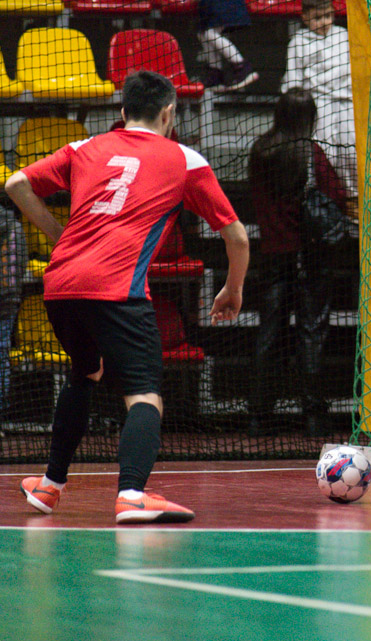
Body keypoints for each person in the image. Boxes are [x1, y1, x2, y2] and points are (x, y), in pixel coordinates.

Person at [6, 71, 250, 523]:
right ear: (169, 113)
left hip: (60, 286)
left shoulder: (85, 147)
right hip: (117, 288)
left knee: (86, 373)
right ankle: (133, 494)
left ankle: (49, 485)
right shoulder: (185, 159)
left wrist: (60, 236)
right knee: (144, 395)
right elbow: (236, 236)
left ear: (122, 112)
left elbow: (16, 184)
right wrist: (232, 289)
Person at [247, 88, 348, 438]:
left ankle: (259, 416)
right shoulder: (311, 153)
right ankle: (313, 416)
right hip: (311, 255)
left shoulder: (261, 150)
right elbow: (337, 195)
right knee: (312, 332)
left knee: (269, 332)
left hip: (273, 254)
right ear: (310, 117)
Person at [282, 0, 356, 199]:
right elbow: (293, 79)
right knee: (324, 150)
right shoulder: (298, 41)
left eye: (328, 16)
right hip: (318, 103)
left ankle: (353, 196)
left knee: (351, 147)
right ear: (305, 17)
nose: (324, 22)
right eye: (317, 18)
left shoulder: (343, 36)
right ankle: (325, 197)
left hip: (346, 101)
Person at [0, 196, 25, 433]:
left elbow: (12, 270)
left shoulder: (11, 227)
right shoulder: (13, 224)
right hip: (8, 300)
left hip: (5, 302)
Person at [197, 0, 260, 92]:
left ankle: (242, 67)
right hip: (209, 5)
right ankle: (215, 75)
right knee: (202, 34)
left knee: (210, 33)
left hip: (224, 4)